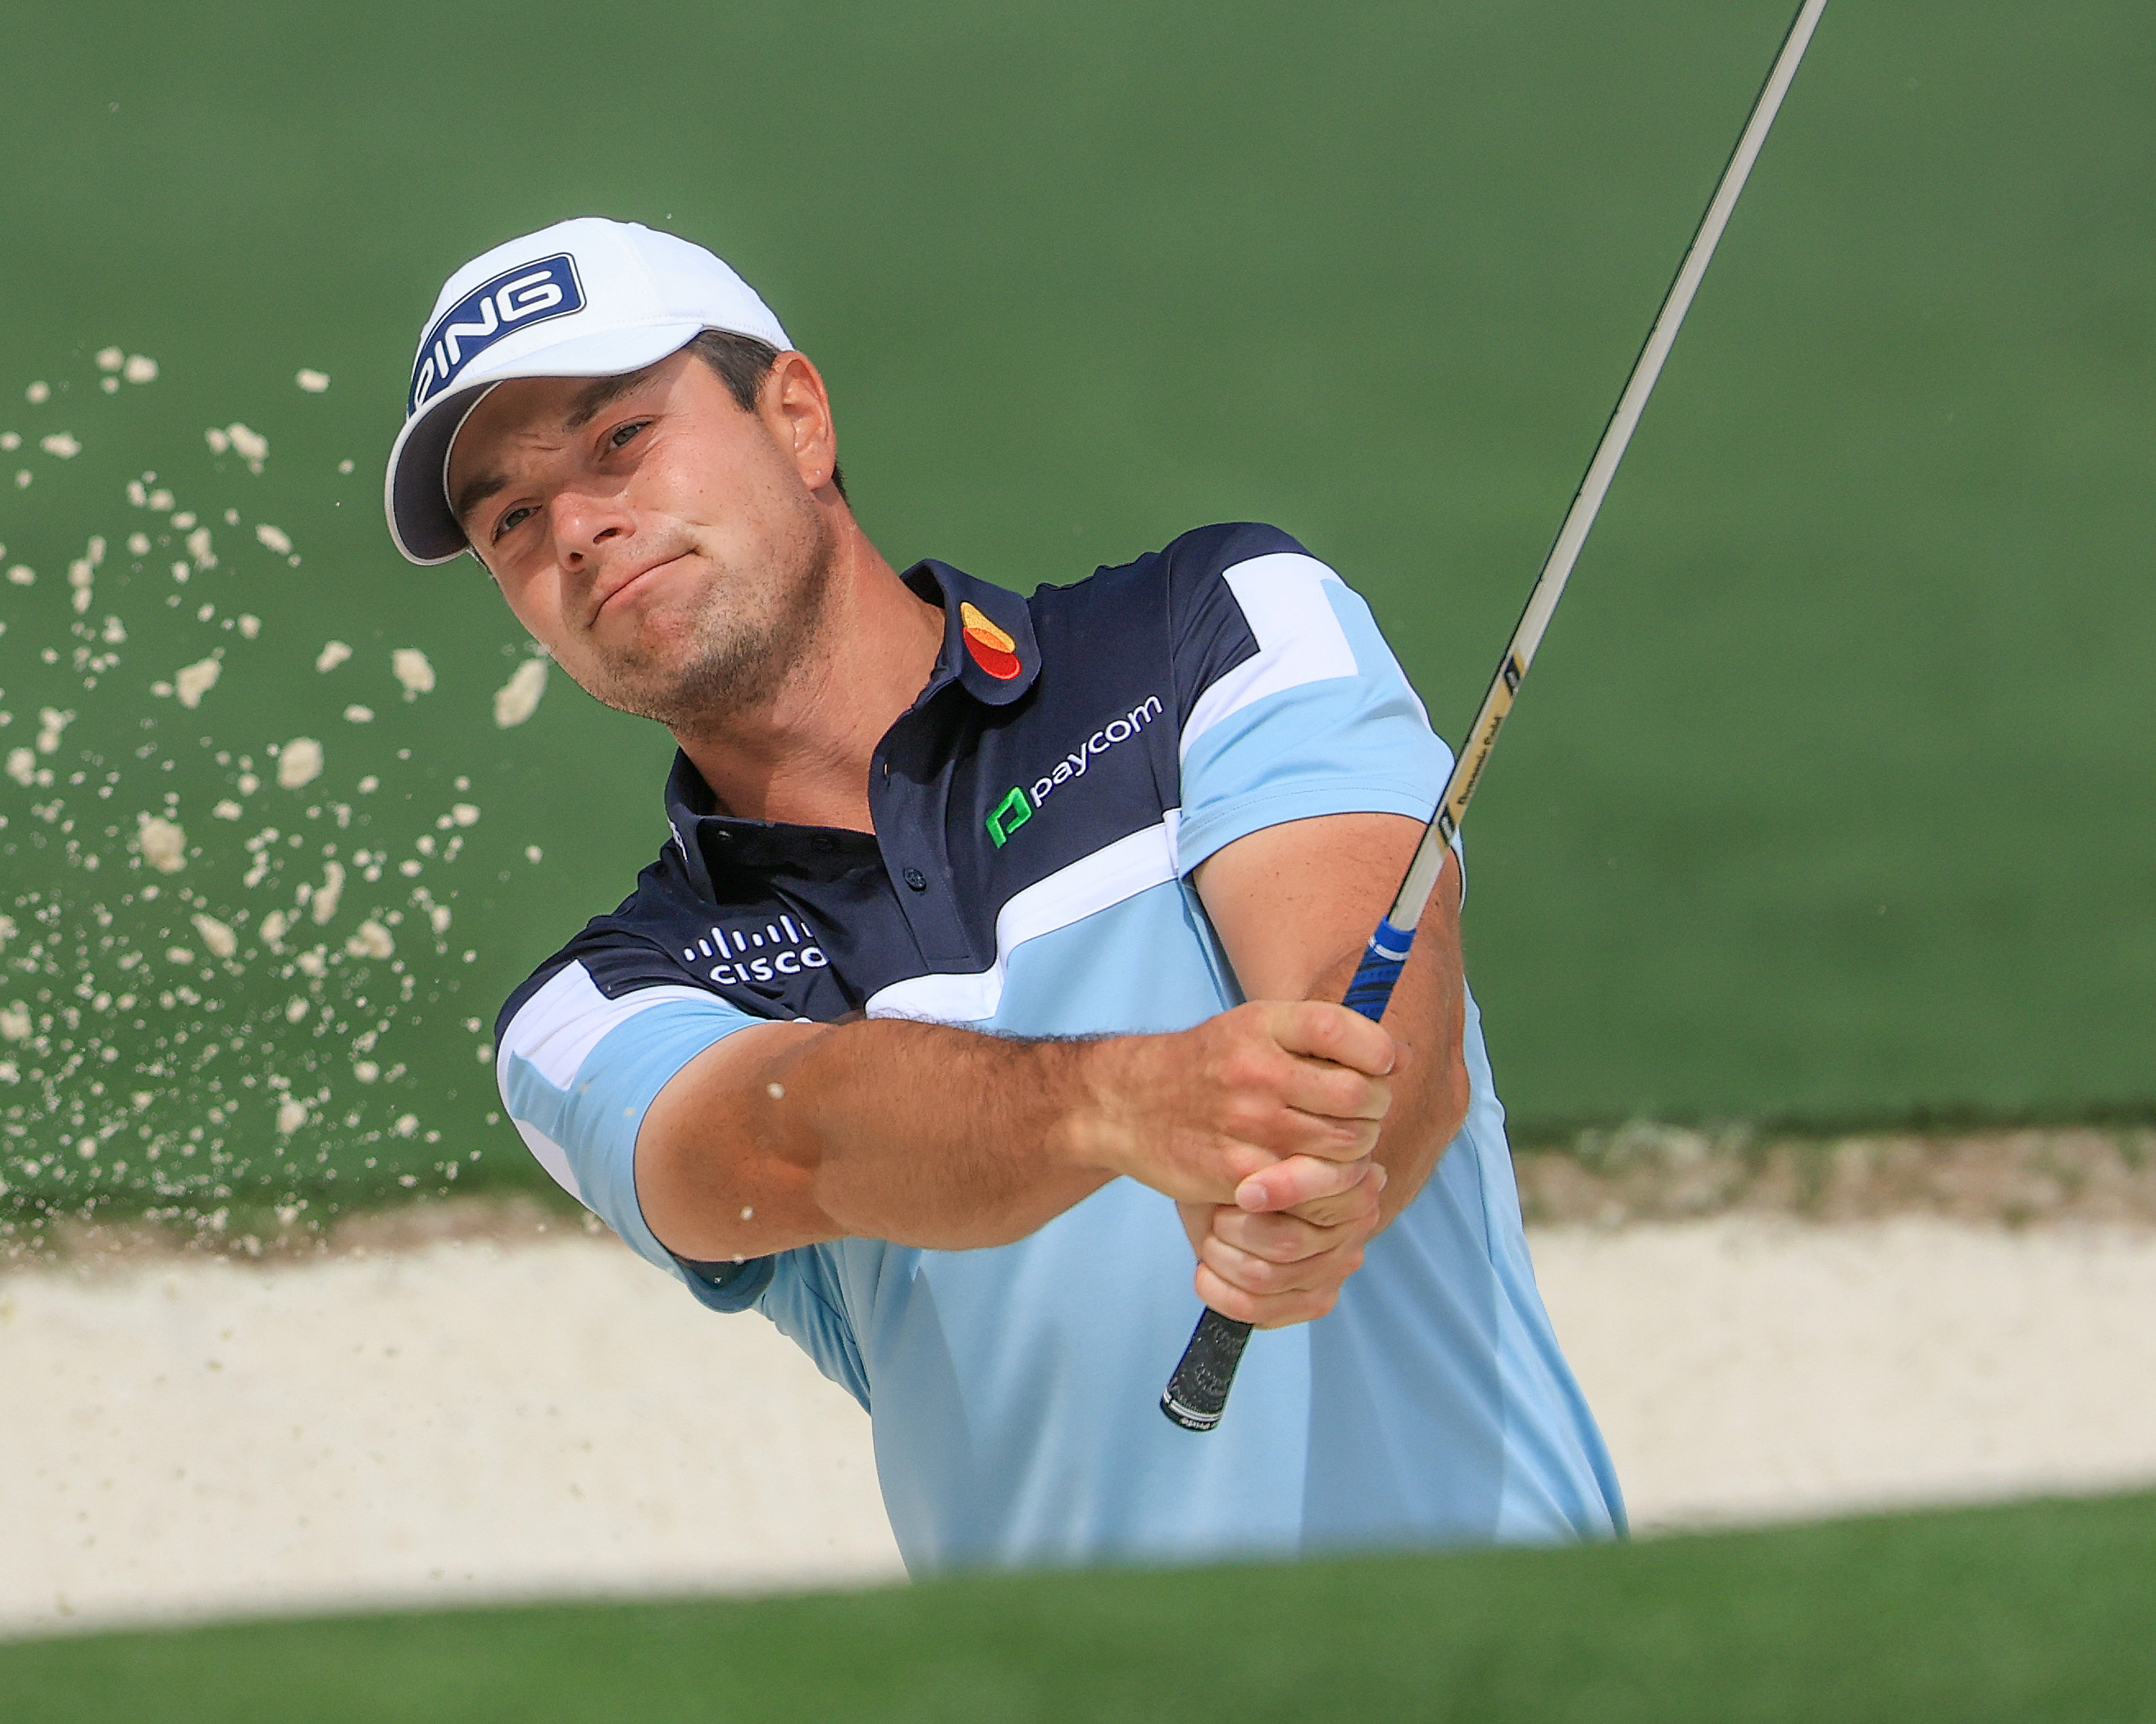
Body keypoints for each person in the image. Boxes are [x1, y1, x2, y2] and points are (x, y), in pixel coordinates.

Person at [387, 216, 1621, 1568]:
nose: (574, 527)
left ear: (796, 416)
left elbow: (1382, 1024)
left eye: (619, 438)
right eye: (510, 518)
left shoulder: (1217, 627)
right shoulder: (589, 1011)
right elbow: (786, 1141)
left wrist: (1331, 1143)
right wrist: (1118, 1102)